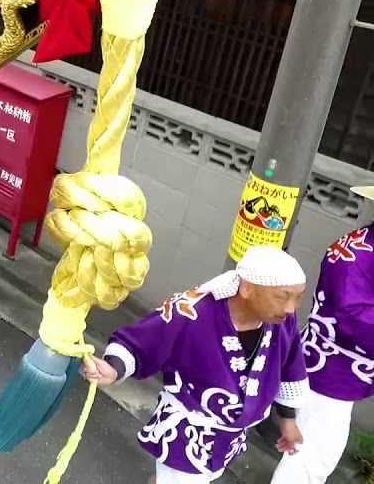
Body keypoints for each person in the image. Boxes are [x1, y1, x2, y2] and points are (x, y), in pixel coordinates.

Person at [82, 245, 309, 483]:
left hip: (229, 438)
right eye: (282, 297)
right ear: (247, 288)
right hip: (187, 433)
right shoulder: (191, 312)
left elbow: (290, 366)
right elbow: (143, 340)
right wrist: (114, 367)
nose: (291, 308)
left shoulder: (282, 321)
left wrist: (288, 421)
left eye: (298, 298)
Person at [272, 195, 374, 484]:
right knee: (310, 458)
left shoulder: (360, 245)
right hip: (332, 371)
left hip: (335, 367)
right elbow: (353, 317)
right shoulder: (360, 255)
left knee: (311, 454)